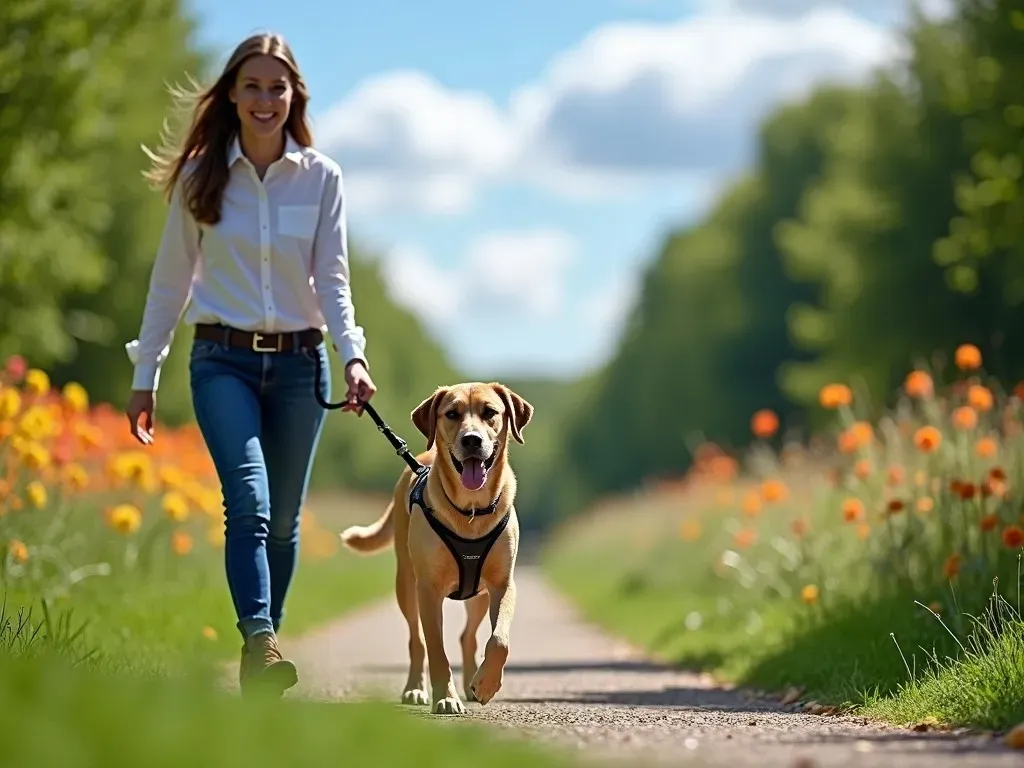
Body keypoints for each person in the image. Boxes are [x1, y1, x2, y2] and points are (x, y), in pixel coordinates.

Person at [124, 31, 377, 697]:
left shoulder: (322, 180)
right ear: (232, 94)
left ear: (294, 97)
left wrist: (352, 359)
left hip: (300, 366)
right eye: (253, 86)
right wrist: (144, 375)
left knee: (286, 520)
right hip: (220, 362)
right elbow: (168, 285)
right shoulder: (199, 177)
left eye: (277, 87)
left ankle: (263, 647)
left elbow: (334, 281)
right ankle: (261, 641)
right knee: (251, 502)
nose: (265, 99)